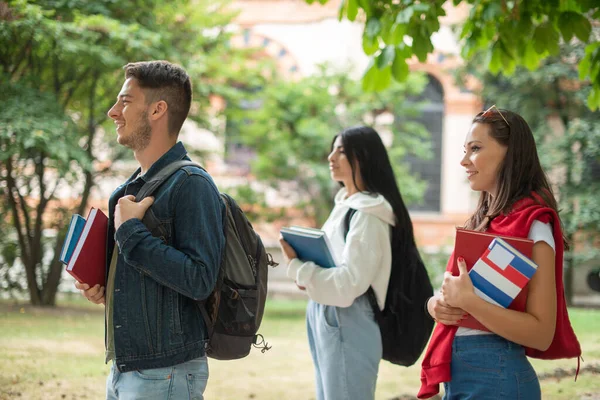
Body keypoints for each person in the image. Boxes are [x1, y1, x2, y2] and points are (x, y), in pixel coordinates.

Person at [75, 60, 225, 399]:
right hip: (126, 368)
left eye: (125, 101)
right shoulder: (129, 190)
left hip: (166, 374)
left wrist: (130, 232)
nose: (113, 112)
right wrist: (107, 288)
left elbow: (200, 280)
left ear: (158, 110)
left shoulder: (193, 184)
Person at [418, 107, 581, 399]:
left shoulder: (534, 227)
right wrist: (436, 306)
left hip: (498, 379)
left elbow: (542, 333)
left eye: (476, 149)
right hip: (460, 377)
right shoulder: (481, 223)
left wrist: (468, 301)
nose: (464, 160)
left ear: (511, 153)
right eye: (465, 150)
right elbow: (451, 295)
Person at [279, 126, 419, 400]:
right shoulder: (347, 205)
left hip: (348, 317)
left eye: (341, 151)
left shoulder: (369, 214)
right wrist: (308, 274)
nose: (331, 156)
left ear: (363, 157)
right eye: (333, 148)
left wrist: (297, 267)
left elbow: (347, 286)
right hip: (328, 313)